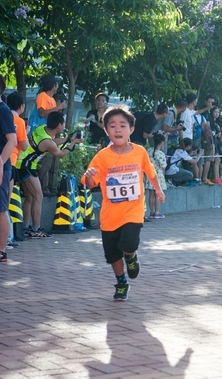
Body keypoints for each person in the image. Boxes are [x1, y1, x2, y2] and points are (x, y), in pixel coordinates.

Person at [82, 105, 165, 301]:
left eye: (122, 125)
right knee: (112, 254)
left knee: (128, 243)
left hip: (133, 210)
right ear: (106, 130)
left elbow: (150, 172)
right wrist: (89, 176)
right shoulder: (102, 156)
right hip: (110, 214)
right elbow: (90, 183)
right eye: (112, 126)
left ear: (131, 129)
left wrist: (158, 189)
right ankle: (121, 282)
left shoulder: (139, 152)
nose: (117, 130)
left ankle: (131, 255)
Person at [16, 111, 83, 238]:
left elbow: (53, 141)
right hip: (26, 165)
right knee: (38, 196)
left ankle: (25, 227)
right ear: (59, 125)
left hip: (23, 163)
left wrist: (68, 139)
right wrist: (72, 144)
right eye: (63, 123)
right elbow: (60, 154)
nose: (64, 125)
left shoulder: (42, 128)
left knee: (30, 197)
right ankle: (35, 229)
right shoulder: (48, 142)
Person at [34, 74, 67, 197]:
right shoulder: (43, 96)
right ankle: (43, 188)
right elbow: (42, 113)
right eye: (56, 84)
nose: (57, 87)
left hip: (51, 135)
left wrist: (59, 108)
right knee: (46, 163)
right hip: (42, 135)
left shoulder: (52, 99)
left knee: (54, 162)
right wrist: (58, 107)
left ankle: (52, 187)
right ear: (53, 85)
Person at [6, 92, 29, 249]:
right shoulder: (19, 121)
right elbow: (23, 145)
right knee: (5, 202)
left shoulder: (4, 115)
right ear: (21, 106)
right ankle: (6, 239)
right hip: (10, 162)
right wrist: (26, 132)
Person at [0, 75, 17, 262]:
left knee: (0, 209)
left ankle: (1, 250)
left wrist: (0, 162)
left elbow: (12, 140)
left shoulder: (3, 110)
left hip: (1, 168)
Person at [146, 133, 168, 218]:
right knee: (158, 194)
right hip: (158, 175)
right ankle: (157, 212)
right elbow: (163, 166)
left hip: (149, 174)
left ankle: (151, 212)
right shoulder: (160, 154)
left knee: (151, 195)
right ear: (162, 142)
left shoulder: (149, 151)